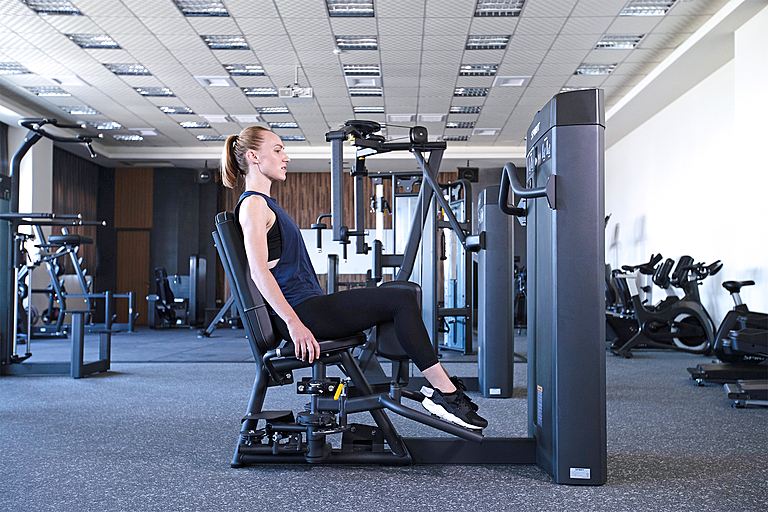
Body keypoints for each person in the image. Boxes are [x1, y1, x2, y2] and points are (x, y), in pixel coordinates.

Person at [221, 126, 487, 430]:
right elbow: (258, 272)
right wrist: (294, 324)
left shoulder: (265, 204)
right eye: (278, 150)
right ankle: (446, 394)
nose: (286, 157)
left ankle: (429, 386)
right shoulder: (254, 205)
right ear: (254, 156)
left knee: (399, 295)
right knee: (400, 298)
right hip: (301, 312)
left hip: (307, 306)